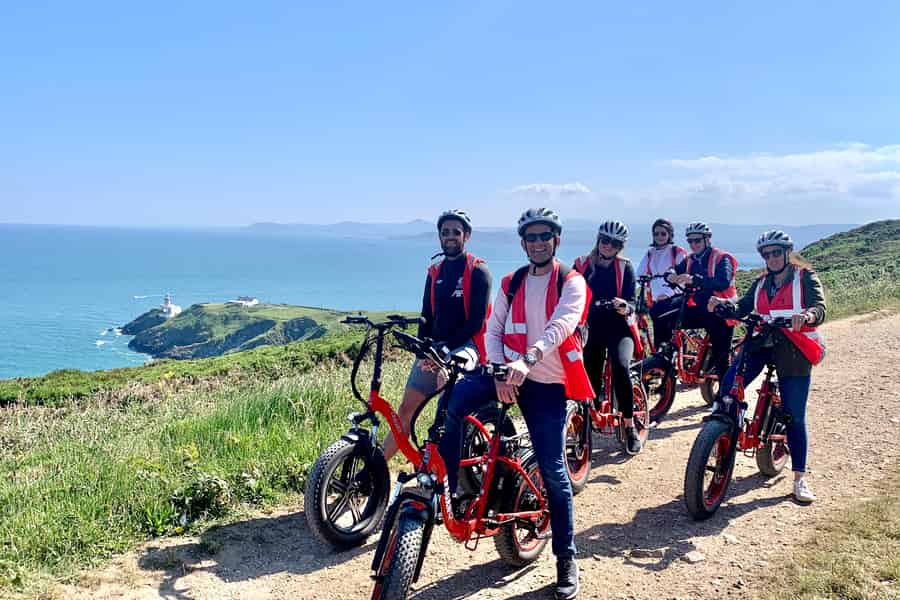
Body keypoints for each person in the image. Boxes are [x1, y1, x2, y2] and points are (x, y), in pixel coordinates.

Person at [437, 208, 592, 599]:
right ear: (523, 243)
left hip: (545, 382)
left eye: (545, 237)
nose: (538, 243)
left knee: (555, 471)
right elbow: (493, 328)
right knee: (453, 404)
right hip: (506, 374)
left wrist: (525, 362)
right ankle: (453, 487)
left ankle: (565, 558)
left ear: (556, 240)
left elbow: (560, 327)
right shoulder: (511, 281)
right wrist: (497, 369)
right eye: (531, 237)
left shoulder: (572, 282)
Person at [708, 230, 826, 503]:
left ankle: (799, 478)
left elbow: (820, 307)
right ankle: (726, 428)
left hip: (794, 349)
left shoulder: (803, 277)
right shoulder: (761, 282)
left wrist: (807, 315)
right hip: (761, 343)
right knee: (728, 386)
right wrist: (724, 305)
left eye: (776, 253)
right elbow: (743, 306)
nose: (771, 258)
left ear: (786, 253)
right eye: (767, 254)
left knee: (794, 415)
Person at [381, 209, 492, 461]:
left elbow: (476, 322)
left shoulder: (478, 271)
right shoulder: (435, 272)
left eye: (456, 232)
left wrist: (444, 351)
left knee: (446, 388)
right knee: (405, 411)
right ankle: (375, 471)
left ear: (467, 236)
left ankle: (446, 460)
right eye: (445, 232)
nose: (450, 237)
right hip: (436, 349)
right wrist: (424, 350)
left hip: (467, 347)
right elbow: (426, 317)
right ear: (439, 236)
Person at [574, 220, 643, 454]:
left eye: (614, 243)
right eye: (605, 241)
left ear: (620, 246)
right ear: (598, 240)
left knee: (621, 367)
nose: (608, 246)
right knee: (586, 376)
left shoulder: (625, 268)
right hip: (591, 329)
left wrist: (626, 306)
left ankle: (629, 425)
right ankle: (586, 421)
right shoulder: (582, 265)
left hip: (619, 329)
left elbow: (634, 303)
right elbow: (569, 295)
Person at [661, 221, 738, 379]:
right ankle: (681, 357)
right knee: (670, 319)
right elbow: (673, 270)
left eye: (697, 240)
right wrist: (671, 275)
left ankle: (726, 399)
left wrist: (696, 280)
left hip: (721, 312)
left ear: (707, 240)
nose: (693, 244)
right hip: (700, 308)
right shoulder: (690, 259)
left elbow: (723, 281)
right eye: (690, 241)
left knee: (721, 359)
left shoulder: (722, 258)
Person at [636, 218, 688, 347]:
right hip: (655, 298)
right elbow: (639, 273)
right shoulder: (650, 252)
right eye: (656, 233)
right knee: (659, 330)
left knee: (671, 331)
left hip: (674, 296)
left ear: (670, 234)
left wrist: (669, 294)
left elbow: (683, 278)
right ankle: (660, 360)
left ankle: (672, 359)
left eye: (663, 233)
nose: (659, 236)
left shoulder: (677, 251)